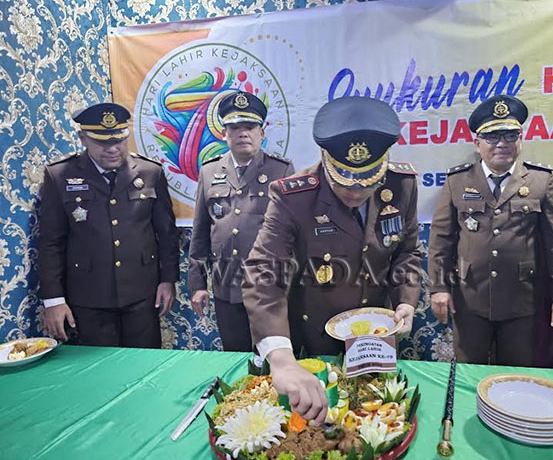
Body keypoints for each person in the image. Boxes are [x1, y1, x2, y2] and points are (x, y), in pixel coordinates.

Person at [242, 96, 422, 425]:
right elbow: (263, 274)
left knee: (374, 424)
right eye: (342, 178)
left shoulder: (402, 185)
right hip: (313, 342)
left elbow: (406, 251)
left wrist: (406, 300)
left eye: (367, 180)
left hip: (374, 339)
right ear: (325, 158)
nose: (354, 191)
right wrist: (281, 358)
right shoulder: (293, 196)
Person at [427, 95, 553, 366]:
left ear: (520, 139)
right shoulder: (457, 181)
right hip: (469, 297)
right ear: (477, 143)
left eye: (510, 135)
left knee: (518, 374)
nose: (501, 144)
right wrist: (438, 287)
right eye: (493, 137)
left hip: (522, 301)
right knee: (466, 372)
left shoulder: (541, 181)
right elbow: (440, 241)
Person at [39, 102, 180, 347]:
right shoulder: (60, 176)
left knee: (144, 369)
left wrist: (168, 280)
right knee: (99, 374)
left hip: (142, 295)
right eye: (103, 142)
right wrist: (53, 300)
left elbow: (166, 233)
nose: (113, 149)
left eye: (119, 140)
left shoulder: (150, 172)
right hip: (88, 298)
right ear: (83, 138)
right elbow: (51, 242)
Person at [188, 91, 294, 351]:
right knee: (235, 357)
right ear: (224, 133)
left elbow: (294, 234)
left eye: (250, 127)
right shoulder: (210, 171)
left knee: (272, 358)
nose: (243, 133)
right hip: (226, 286)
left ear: (262, 132)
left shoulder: (281, 171)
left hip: (269, 286)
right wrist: (198, 284)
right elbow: (201, 232)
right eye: (235, 127)